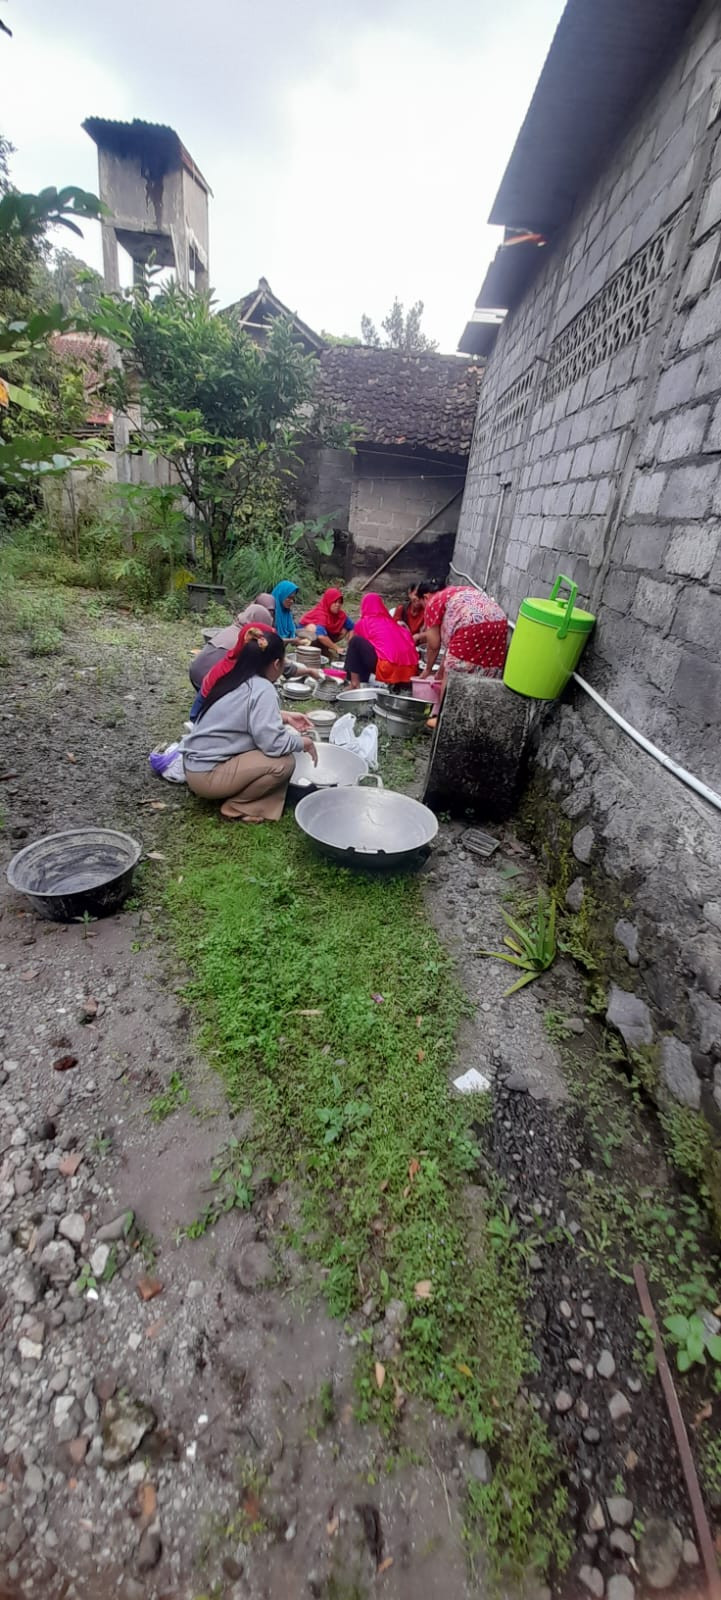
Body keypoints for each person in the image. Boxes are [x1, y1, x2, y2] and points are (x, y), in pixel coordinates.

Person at [182, 628, 317, 823]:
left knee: (275, 750)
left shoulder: (235, 676)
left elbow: (241, 716)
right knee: (283, 763)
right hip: (206, 776)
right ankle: (237, 807)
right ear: (276, 664)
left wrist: (284, 717)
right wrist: (303, 742)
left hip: (194, 766)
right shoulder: (263, 688)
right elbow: (272, 744)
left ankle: (233, 793)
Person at [422, 585, 508, 682]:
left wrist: (427, 670)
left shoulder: (432, 603)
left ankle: (446, 697)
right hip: (501, 621)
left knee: (452, 677)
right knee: (486, 674)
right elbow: (450, 651)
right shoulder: (458, 590)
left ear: (425, 598)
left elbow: (433, 646)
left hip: (472, 623)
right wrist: (439, 674)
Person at [345, 592, 419, 688]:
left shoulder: (364, 622)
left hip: (387, 668)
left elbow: (352, 646)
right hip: (409, 670)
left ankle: (354, 683)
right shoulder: (392, 622)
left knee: (355, 642)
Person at [298, 587, 355, 657]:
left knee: (344, 630)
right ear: (328, 601)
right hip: (304, 636)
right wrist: (337, 648)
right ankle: (314, 649)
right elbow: (321, 636)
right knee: (313, 629)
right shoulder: (321, 613)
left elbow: (352, 627)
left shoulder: (340, 614)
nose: (337, 605)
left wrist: (350, 644)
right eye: (334, 602)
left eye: (340, 602)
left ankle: (324, 647)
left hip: (322, 635)